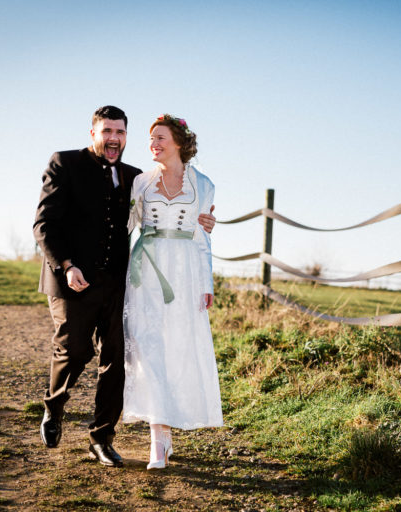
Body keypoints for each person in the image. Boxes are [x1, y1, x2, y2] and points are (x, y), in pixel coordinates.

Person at [32, 106, 216, 467]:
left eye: (120, 132)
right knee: (75, 350)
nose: (114, 138)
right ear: (93, 134)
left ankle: (101, 438)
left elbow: (154, 217)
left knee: (118, 360)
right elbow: (44, 223)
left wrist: (203, 222)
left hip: (120, 282)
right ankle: (54, 406)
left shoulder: (136, 177)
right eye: (107, 131)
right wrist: (67, 265)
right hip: (73, 279)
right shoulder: (64, 163)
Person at [122, 114, 223, 470]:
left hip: (184, 274)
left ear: (178, 142)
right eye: (150, 138)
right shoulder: (139, 183)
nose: (153, 144)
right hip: (145, 273)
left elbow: (202, 237)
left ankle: (168, 429)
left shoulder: (204, 184)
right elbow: (125, 227)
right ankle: (158, 438)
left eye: (160, 137)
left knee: (177, 348)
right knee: (148, 349)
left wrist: (207, 283)